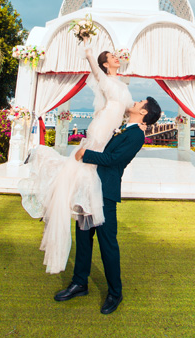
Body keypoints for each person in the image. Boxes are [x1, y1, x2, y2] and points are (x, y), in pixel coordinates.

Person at [18, 44, 134, 275]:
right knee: (85, 165)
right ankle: (42, 157)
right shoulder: (104, 79)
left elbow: (129, 108)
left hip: (109, 128)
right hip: (101, 128)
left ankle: (72, 191)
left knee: (83, 167)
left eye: (115, 56)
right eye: (111, 57)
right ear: (105, 64)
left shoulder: (122, 84)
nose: (116, 58)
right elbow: (96, 72)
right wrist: (89, 54)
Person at [54, 96, 161, 315]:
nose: (135, 102)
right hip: (88, 189)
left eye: (140, 102)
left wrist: (85, 154)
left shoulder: (136, 135)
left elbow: (113, 160)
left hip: (104, 194)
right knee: (83, 238)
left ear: (143, 112)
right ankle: (79, 283)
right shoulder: (122, 127)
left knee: (107, 243)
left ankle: (115, 292)